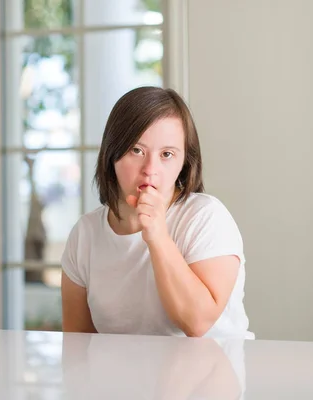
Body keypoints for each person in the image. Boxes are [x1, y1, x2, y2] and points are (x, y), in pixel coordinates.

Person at [61, 86, 254, 339]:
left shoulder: (206, 217)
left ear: (184, 162)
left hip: (214, 374)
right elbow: (77, 344)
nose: (150, 169)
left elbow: (195, 323)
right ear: (112, 154)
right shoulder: (85, 233)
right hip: (124, 378)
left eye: (167, 154)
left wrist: (158, 236)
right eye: (136, 150)